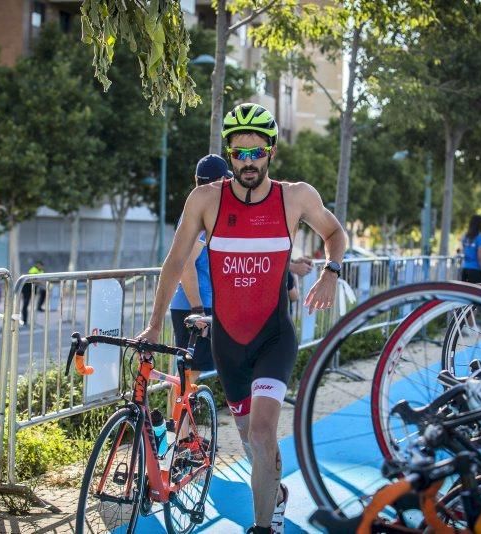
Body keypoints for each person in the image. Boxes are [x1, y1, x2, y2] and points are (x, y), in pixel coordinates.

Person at [137, 103, 346, 534]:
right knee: (253, 441)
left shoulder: (295, 196)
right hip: (227, 344)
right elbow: (175, 262)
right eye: (239, 154)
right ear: (229, 155)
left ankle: (263, 527)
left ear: (270, 151)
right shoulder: (206, 199)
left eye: (256, 153)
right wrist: (155, 324)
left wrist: (331, 271)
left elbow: (334, 232)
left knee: (264, 431)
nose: (248, 163)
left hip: (273, 338)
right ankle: (275, 492)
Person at [168, 154, 230, 404]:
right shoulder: (200, 214)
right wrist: (198, 309)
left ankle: (180, 431)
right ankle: (180, 435)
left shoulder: (198, 210)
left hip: (195, 303)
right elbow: (185, 265)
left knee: (188, 372)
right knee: (189, 372)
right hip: (194, 304)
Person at [460, 215, 481, 283]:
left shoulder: (465, 237)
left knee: (465, 292)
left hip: (465, 269)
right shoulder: (480, 237)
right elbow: (480, 257)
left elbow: (463, 251)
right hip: (475, 270)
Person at [21, 260, 44, 325]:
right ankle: (24, 320)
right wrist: (40, 282)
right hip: (27, 289)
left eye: (42, 266)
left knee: (30, 304)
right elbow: (32, 279)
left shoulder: (41, 271)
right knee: (25, 304)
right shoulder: (33, 270)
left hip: (33, 289)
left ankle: (29, 321)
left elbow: (41, 280)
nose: (41, 267)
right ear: (37, 265)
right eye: (40, 265)